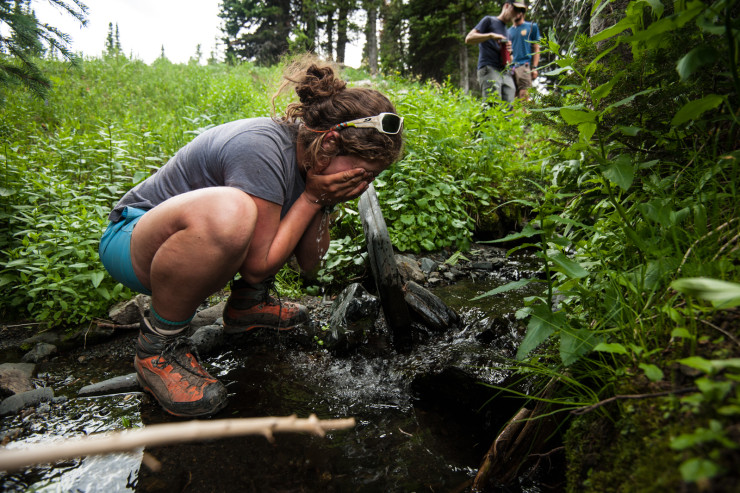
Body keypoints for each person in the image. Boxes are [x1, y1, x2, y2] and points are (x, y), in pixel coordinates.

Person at [98, 55, 404, 418]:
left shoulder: (312, 160)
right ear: (331, 142)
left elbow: (309, 265)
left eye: (371, 178)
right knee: (234, 210)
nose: (362, 183)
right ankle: (157, 349)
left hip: (183, 246)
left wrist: (323, 203)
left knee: (256, 219)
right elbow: (259, 265)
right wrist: (311, 198)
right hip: (133, 240)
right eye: (362, 172)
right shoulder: (260, 147)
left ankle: (247, 307)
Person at [465, 0, 523, 103]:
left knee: (509, 106)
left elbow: (511, 61)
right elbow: (469, 39)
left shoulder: (508, 33)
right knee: (492, 105)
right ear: (507, 6)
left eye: (521, 12)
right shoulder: (489, 21)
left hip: (504, 71)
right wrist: (490, 35)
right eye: (516, 9)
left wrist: (509, 52)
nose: (517, 14)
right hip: (489, 68)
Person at [508, 4, 541, 100]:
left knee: (524, 97)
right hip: (511, 68)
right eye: (514, 11)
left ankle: (526, 115)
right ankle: (515, 115)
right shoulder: (508, 31)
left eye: (518, 10)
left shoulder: (531, 27)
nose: (516, 13)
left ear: (522, 12)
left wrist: (534, 67)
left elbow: (536, 48)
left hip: (524, 66)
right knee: (512, 99)